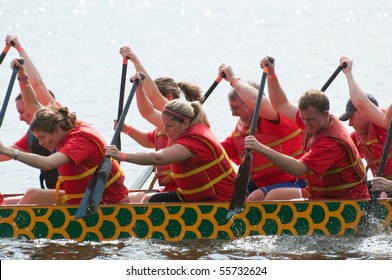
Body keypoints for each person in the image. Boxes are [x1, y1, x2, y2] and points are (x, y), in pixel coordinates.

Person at [0, 59, 129, 205]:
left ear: (57, 130)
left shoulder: (79, 141)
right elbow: (33, 104)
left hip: (109, 208)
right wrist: (22, 77)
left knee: (31, 196)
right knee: (32, 195)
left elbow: (48, 164)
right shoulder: (63, 121)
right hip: (84, 201)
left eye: (42, 138)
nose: (41, 143)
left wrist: (8, 151)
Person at [243, 56, 369, 201]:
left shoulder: (331, 142)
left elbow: (298, 169)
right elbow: (280, 104)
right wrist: (272, 74)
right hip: (323, 197)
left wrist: (261, 148)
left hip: (347, 203)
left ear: (325, 114)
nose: (306, 124)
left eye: (310, 120)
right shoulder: (314, 120)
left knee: (274, 197)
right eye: (302, 119)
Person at [105, 72, 236, 202]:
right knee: (145, 199)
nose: (165, 131)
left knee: (150, 202)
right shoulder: (185, 124)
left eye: (169, 126)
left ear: (185, 123)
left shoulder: (194, 141)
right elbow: (148, 112)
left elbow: (157, 157)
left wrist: (121, 155)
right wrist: (140, 88)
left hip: (221, 203)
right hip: (197, 197)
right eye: (164, 125)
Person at [116, 46, 202, 201]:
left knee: (144, 200)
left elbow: (152, 97)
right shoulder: (166, 125)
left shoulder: (178, 119)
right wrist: (127, 129)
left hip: (183, 188)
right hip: (168, 186)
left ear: (168, 97)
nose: (149, 103)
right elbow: (149, 141)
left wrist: (135, 61)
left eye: (150, 101)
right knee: (124, 199)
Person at [218, 64, 306, 201]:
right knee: (226, 193)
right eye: (231, 110)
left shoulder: (275, 118)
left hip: (297, 181)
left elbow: (256, 100)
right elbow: (216, 153)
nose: (233, 115)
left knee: (255, 197)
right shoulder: (240, 130)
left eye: (235, 109)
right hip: (261, 185)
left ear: (249, 104)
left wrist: (233, 80)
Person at [0, 34, 59, 192]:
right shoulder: (31, 137)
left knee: (30, 194)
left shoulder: (59, 117)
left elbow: (37, 84)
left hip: (75, 196)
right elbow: (4, 153)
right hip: (56, 193)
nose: (20, 118)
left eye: (22, 111)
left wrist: (19, 47)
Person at [339, 57, 392, 198]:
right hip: (384, 191)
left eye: (351, 117)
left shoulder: (388, 125)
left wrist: (349, 74)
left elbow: (361, 103)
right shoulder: (356, 137)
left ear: (365, 113)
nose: (349, 124)